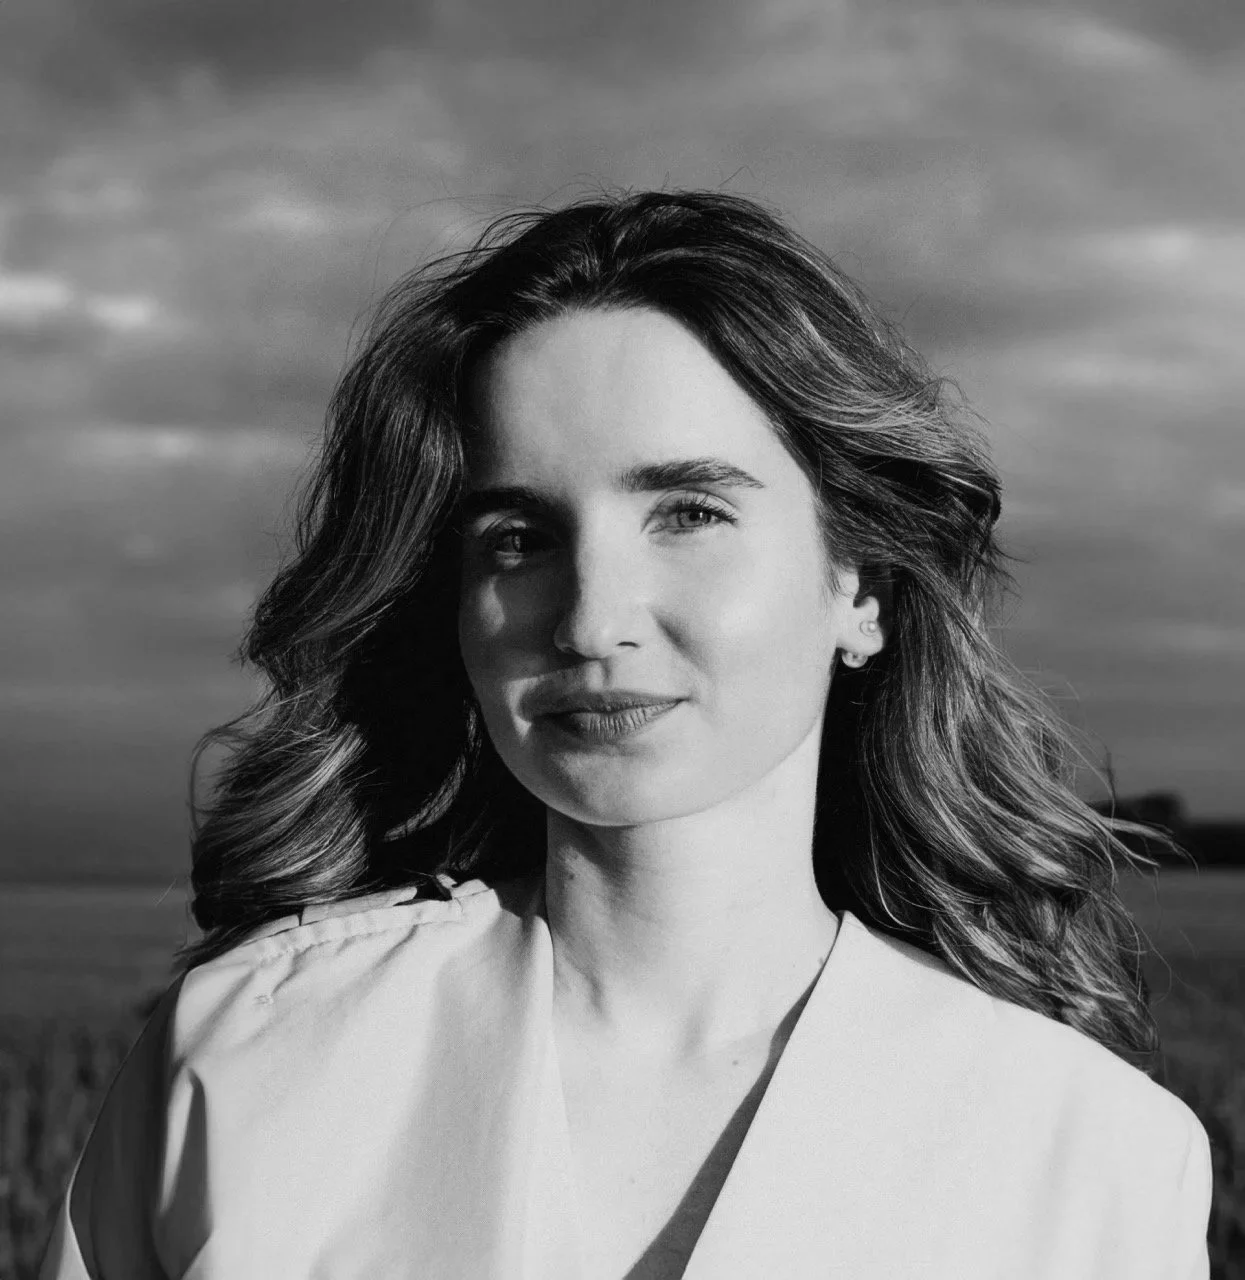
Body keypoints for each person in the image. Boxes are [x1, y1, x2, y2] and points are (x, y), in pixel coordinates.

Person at [40, 190, 1212, 1280]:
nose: (592, 619)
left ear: (861, 584)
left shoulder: (1090, 1155)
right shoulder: (247, 1061)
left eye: (688, 511)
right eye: (518, 537)